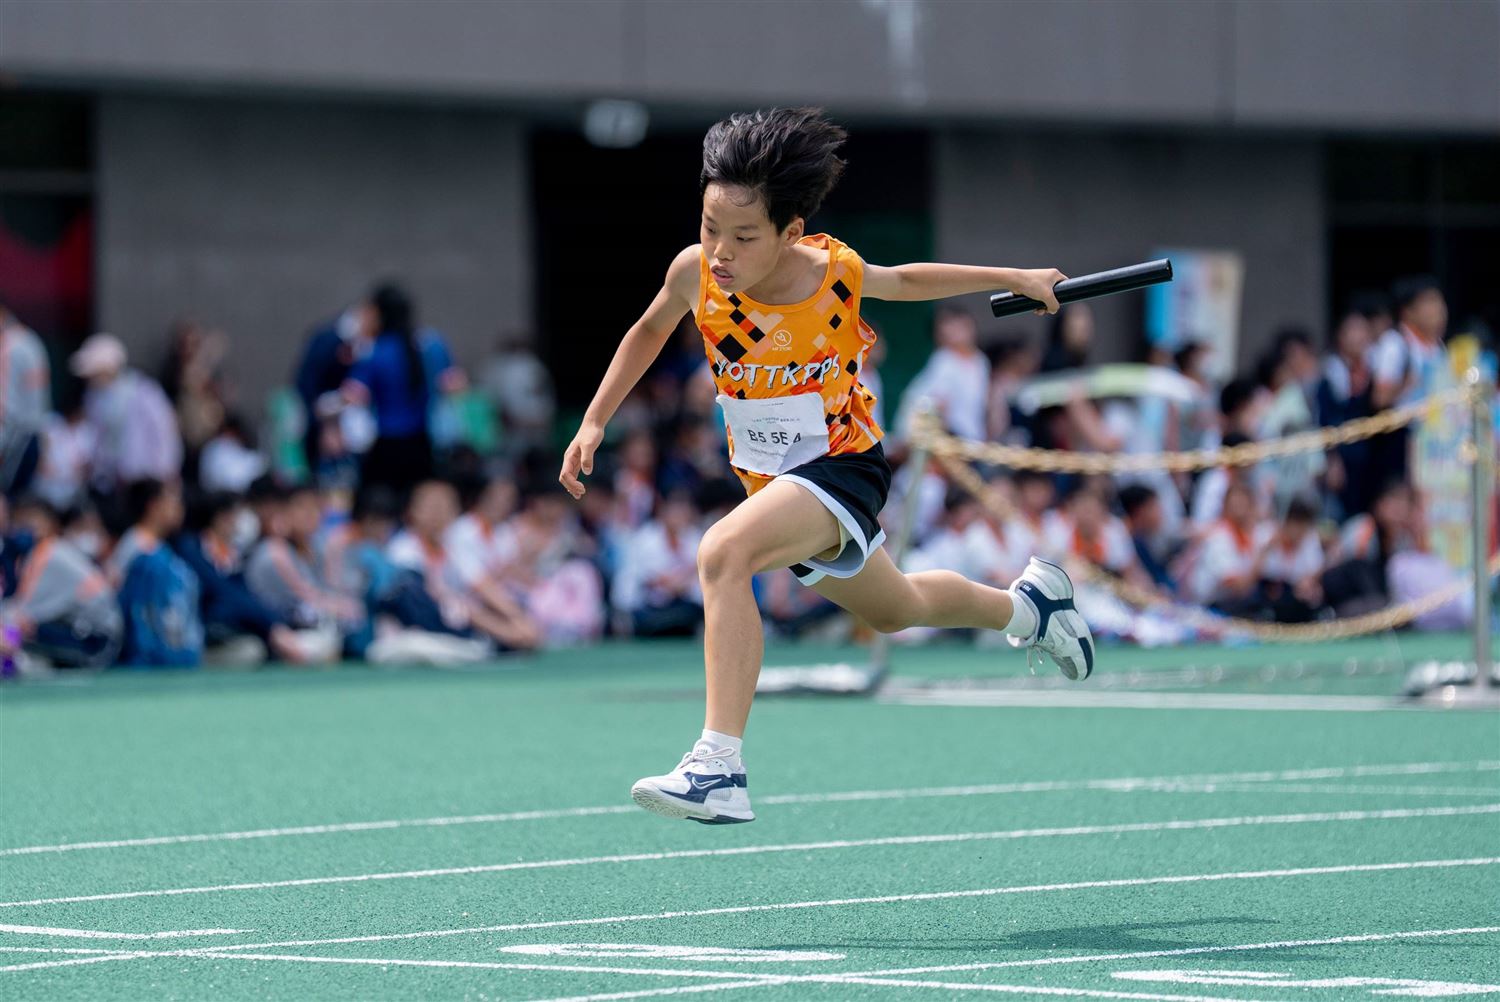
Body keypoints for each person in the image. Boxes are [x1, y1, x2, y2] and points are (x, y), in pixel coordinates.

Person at [558, 107, 1094, 824]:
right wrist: (595, 419)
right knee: (898, 608)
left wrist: (1013, 277)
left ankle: (718, 766)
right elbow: (649, 329)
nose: (721, 250)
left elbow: (903, 281)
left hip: (842, 465)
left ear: (791, 232)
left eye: (744, 236)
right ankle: (1029, 607)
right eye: (710, 227)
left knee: (722, 553)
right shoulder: (696, 273)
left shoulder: (830, 274)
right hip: (774, 481)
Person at [0, 495, 122, 669]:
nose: (26, 528)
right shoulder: (49, 550)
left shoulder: (48, 554)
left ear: (51, 524)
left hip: (96, 642)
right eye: (21, 521)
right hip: (95, 633)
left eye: (33, 520)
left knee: (20, 631)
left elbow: (24, 611)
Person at [345, 284, 438, 491]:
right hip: (422, 443)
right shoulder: (430, 345)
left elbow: (353, 394)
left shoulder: (375, 350)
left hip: (387, 444)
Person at [70, 333, 183, 490]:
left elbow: (164, 430)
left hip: (145, 479)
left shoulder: (143, 391)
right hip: (111, 481)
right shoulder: (92, 398)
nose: (90, 378)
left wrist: (164, 472)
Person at [0, 302, 51, 501]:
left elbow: (7, 405)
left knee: (8, 499)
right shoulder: (30, 341)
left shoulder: (12, 345)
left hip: (17, 436)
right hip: (28, 433)